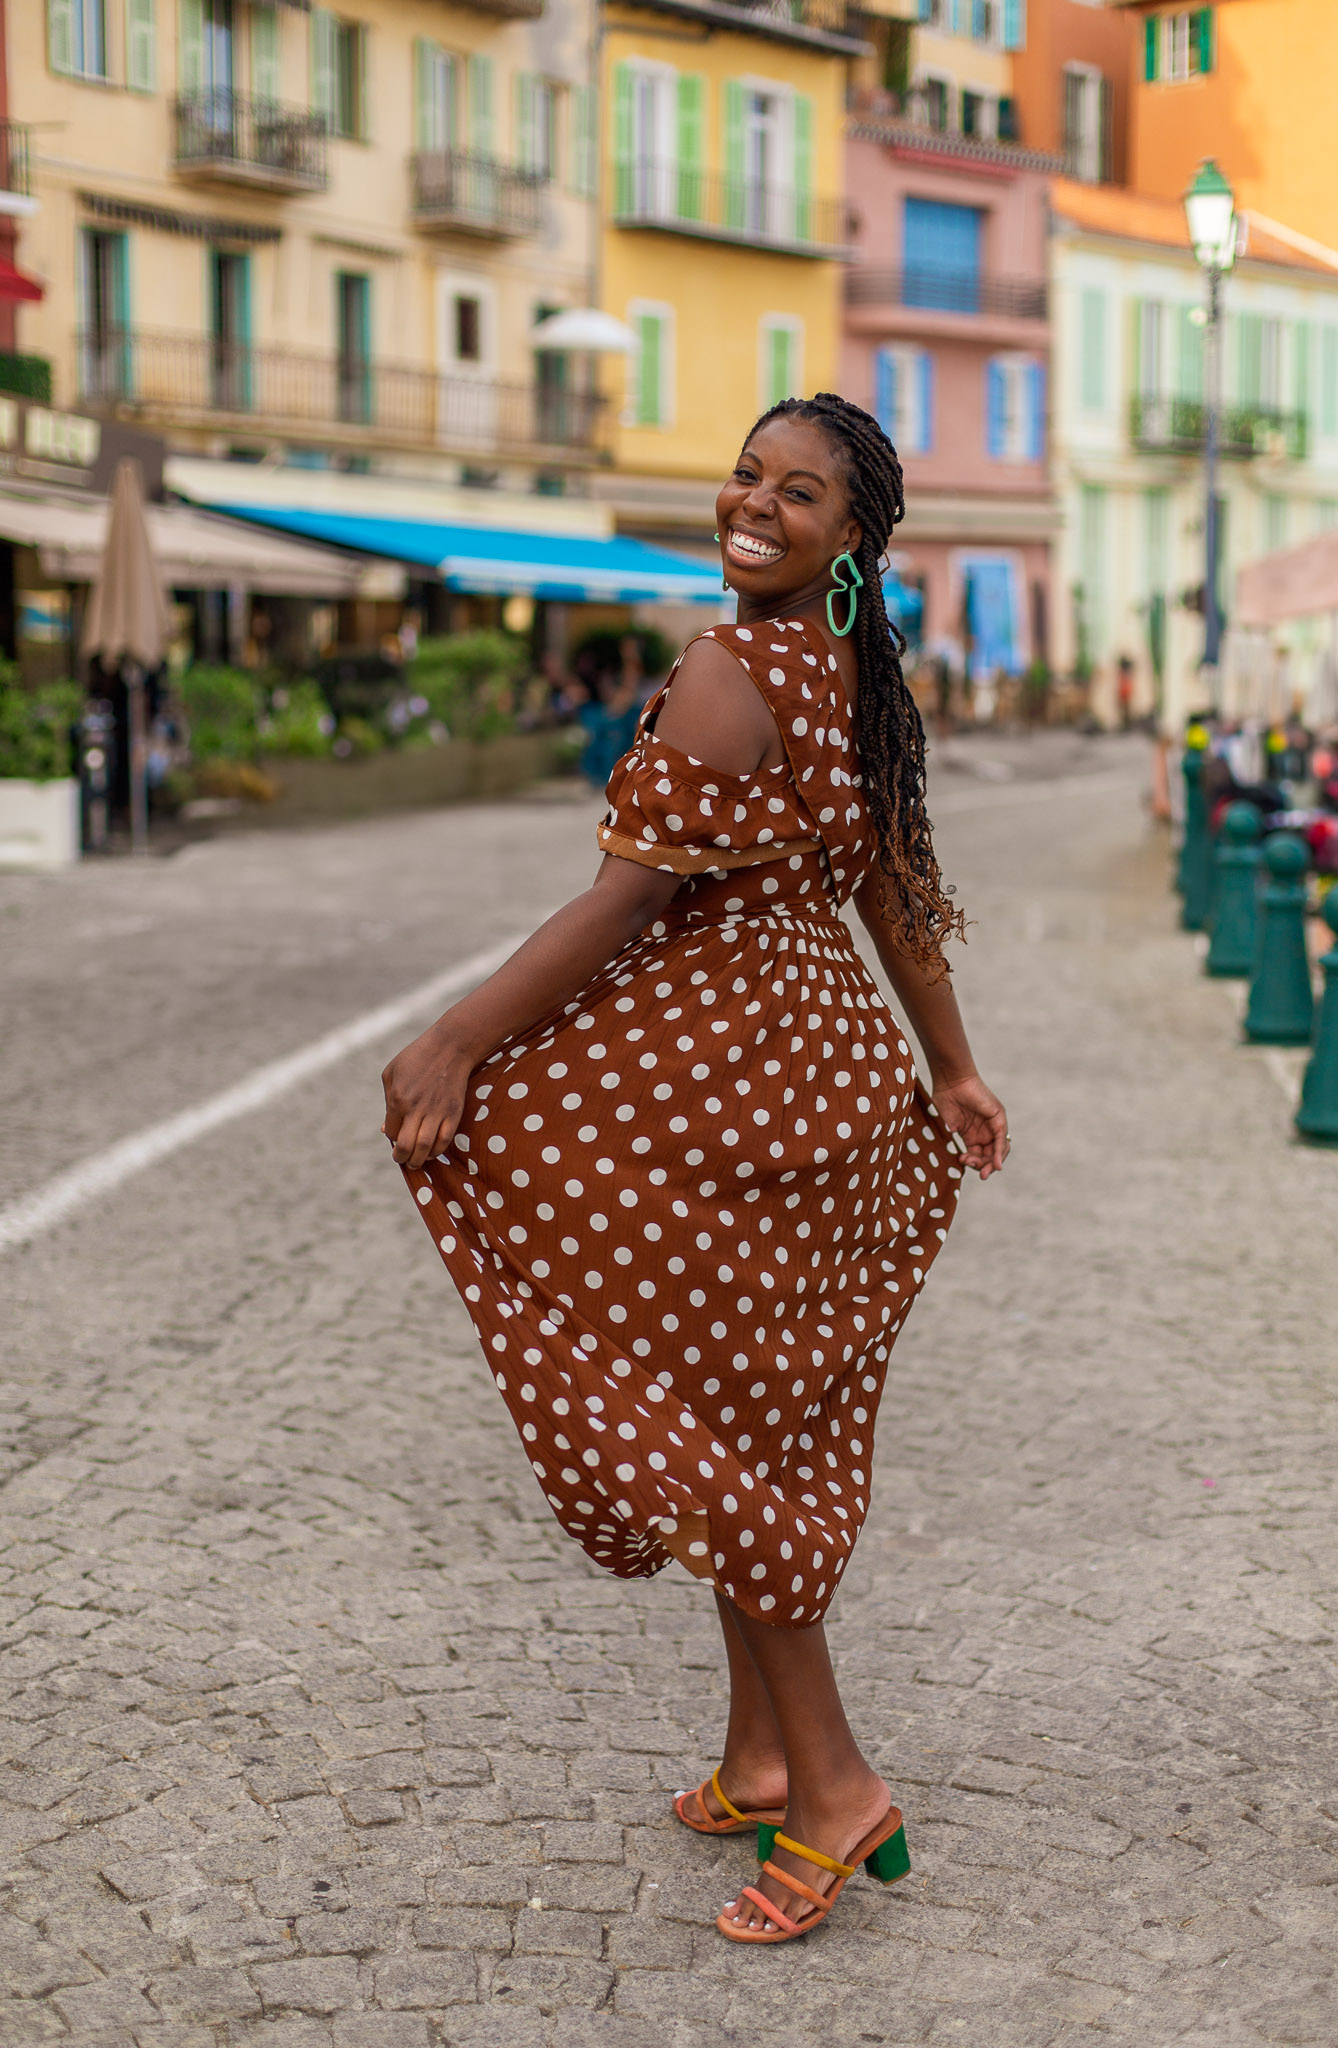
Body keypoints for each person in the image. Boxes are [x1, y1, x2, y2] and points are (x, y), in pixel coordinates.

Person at [382, 393, 1009, 1947]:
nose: (753, 505)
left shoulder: (733, 670)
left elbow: (620, 906)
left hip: (739, 1090)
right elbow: (894, 895)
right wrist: (946, 1064)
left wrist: (456, 1041)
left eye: (798, 493)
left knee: (711, 1443)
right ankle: (759, 1755)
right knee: (751, 1419)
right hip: (818, 1076)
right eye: (745, 475)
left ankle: (835, 1785)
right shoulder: (846, 675)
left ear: (850, 539)